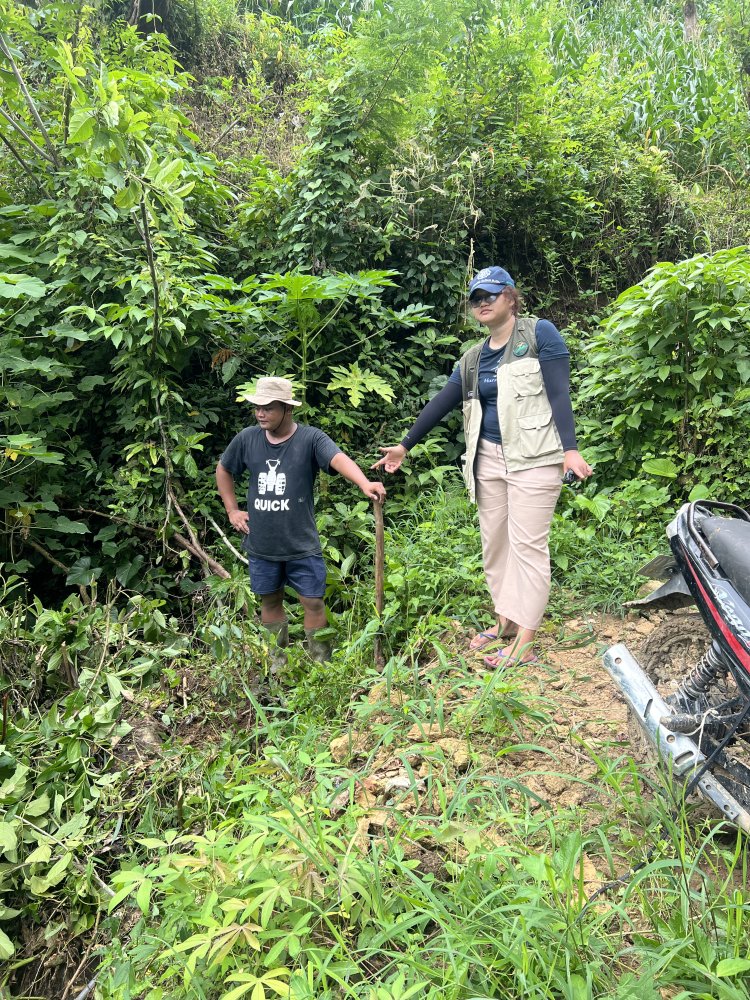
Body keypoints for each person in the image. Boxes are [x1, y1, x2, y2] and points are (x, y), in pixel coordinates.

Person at [373, 266, 592, 666]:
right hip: (487, 459)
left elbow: (559, 394)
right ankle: (505, 621)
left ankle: (525, 642)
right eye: (476, 298)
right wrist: (404, 446)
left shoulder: (539, 333)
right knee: (495, 545)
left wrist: (570, 449)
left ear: (510, 296)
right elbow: (442, 402)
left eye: (490, 295)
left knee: (527, 546)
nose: (483, 303)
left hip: (534, 458)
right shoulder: (473, 358)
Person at [216, 376, 386, 666]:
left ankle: (321, 666)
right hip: (262, 543)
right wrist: (232, 510)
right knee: (270, 600)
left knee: (313, 601)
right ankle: (277, 666)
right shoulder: (247, 439)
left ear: (287, 408)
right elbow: (224, 469)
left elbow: (337, 458)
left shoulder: (310, 438)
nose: (260, 414)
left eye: (268, 408)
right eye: (257, 407)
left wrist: (363, 483)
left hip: (301, 542)